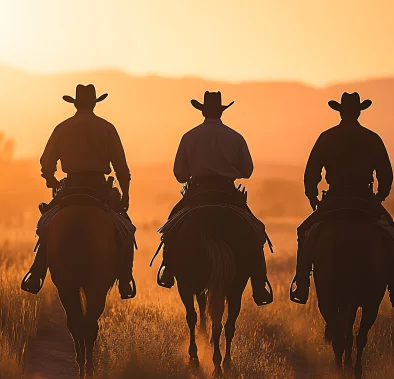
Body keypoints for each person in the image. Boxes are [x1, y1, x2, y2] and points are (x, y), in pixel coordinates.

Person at [290, 91, 394, 307]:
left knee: (304, 233)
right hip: (365, 200)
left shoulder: (326, 137)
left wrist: (313, 197)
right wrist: (378, 198)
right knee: (393, 234)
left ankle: (302, 284)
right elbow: (386, 175)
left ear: (340, 112)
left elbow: (311, 173)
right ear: (358, 112)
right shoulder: (372, 138)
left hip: (333, 200)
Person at [156, 90, 273, 306]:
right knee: (257, 231)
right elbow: (247, 170)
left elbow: (179, 174)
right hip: (228, 193)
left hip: (197, 193)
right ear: (221, 111)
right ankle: (259, 284)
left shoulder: (189, 136)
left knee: (171, 227)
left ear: (202, 111)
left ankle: (168, 269)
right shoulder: (235, 136)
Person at [21, 83, 136, 299]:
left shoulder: (62, 127)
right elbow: (121, 166)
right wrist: (126, 193)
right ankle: (125, 279)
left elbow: (46, 161)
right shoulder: (107, 128)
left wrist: (51, 179)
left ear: (75, 103)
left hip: (71, 187)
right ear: (94, 103)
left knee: (45, 225)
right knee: (126, 230)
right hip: (99, 189)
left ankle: (36, 273)